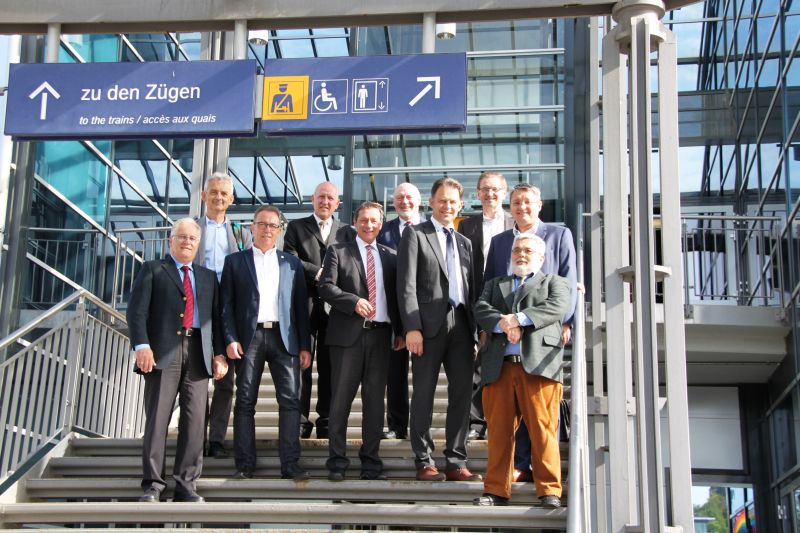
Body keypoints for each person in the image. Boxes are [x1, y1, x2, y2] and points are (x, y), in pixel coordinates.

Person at [127, 218, 227, 503]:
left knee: (195, 422)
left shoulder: (208, 277)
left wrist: (218, 354)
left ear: (198, 244)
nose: (186, 242)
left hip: (198, 352)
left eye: (192, 238)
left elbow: (216, 320)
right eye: (181, 237)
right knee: (158, 419)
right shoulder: (152, 269)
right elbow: (136, 312)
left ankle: (186, 485)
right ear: (171, 240)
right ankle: (153, 485)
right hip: (162, 353)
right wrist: (142, 346)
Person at [483, 183, 577, 482]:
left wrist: (566, 321)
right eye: (516, 203)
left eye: (527, 202)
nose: (521, 207)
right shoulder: (499, 243)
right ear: (509, 207)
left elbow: (568, 282)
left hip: (541, 339)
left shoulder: (560, 235)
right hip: (504, 346)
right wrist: (497, 325)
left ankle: (544, 477)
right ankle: (516, 467)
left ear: (539, 206)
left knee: (540, 418)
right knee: (505, 420)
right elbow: (490, 287)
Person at [472, 234, 570, 509]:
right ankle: (495, 491)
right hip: (498, 368)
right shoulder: (495, 284)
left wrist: (518, 320)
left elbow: (555, 308)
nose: (521, 254)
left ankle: (549, 490)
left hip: (539, 368)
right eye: (517, 249)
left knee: (542, 430)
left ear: (541, 257)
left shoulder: (555, 283)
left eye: (528, 250)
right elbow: (481, 309)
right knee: (499, 433)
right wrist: (504, 324)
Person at [397, 177, 481, 482]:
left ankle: (456, 460)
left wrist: (476, 330)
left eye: (453, 202)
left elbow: (472, 289)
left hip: (462, 325)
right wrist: (412, 327)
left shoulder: (465, 242)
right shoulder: (415, 234)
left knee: (462, 395)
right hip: (427, 327)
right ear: (431, 203)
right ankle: (424, 460)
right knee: (423, 394)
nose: (448, 206)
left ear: (460, 205)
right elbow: (406, 285)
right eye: (442, 200)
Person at [220, 205, 312, 481]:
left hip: (285, 339)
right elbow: (226, 306)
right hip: (250, 339)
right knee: (246, 401)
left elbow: (299, 307)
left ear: (280, 230)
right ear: (252, 226)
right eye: (262, 224)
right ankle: (245, 465)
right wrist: (230, 338)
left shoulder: (291, 263)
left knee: (291, 401)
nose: (267, 230)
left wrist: (305, 345)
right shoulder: (235, 261)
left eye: (273, 226)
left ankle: (290, 464)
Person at [319, 201, 404, 481]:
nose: (369, 225)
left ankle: (370, 461)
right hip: (347, 338)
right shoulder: (338, 251)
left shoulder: (391, 255)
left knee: (374, 403)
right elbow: (325, 287)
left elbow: (398, 298)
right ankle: (337, 462)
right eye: (364, 220)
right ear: (354, 222)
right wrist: (353, 301)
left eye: (375, 221)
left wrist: (401, 331)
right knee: (340, 401)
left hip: (380, 336)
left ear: (381, 224)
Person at [283, 181, 355, 439]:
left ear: (338, 203)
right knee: (302, 364)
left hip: (335, 310)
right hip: (305, 304)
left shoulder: (347, 231)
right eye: (321, 197)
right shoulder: (295, 227)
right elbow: (290, 258)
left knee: (330, 366)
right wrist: (319, 273)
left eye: (330, 198)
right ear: (312, 200)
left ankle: (326, 419)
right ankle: (300, 420)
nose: (325, 202)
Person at [195, 172, 253, 460]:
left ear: (231, 200)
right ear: (204, 196)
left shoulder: (241, 232)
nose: (218, 197)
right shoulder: (191, 228)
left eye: (224, 194)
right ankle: (193, 435)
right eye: (213, 192)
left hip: (229, 310)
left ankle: (215, 438)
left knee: (226, 381)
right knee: (194, 378)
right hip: (197, 307)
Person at [457, 171, 514, 441]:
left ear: (504, 192)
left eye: (495, 189)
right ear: (477, 194)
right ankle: (476, 422)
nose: (490, 194)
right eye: (485, 189)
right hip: (478, 301)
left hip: (511, 300)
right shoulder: (466, 226)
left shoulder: (517, 222)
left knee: (508, 364)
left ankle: (504, 421)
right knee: (477, 364)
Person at [377, 182, 423, 440]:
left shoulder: (431, 229)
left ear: (419, 201)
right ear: (393, 203)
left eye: (409, 197)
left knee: (423, 377)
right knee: (394, 376)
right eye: (399, 198)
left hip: (423, 315)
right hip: (392, 315)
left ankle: (420, 426)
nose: (404, 201)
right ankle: (396, 425)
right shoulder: (383, 232)